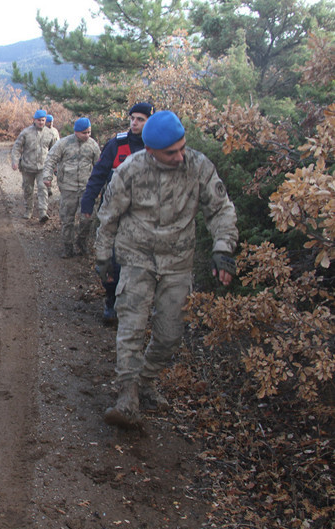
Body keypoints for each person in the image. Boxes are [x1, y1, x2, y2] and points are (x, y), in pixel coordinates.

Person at [94, 110, 238, 429]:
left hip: (177, 262)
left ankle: (146, 381)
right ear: (151, 150)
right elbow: (109, 216)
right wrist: (103, 257)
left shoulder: (197, 166)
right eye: (171, 152)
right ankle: (127, 395)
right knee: (130, 327)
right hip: (137, 258)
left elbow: (221, 209)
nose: (179, 155)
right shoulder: (131, 170)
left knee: (170, 335)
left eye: (182, 147)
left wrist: (223, 249)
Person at [81, 102, 153, 324]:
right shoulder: (116, 144)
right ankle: (111, 300)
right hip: (114, 214)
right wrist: (87, 202)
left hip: (144, 218)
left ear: (149, 121)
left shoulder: (155, 146)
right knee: (111, 261)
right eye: (132, 118)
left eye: (140, 119)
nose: (134, 123)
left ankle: (134, 305)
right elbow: (98, 174)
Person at [42, 117, 101, 257]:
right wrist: (47, 176)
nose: (87, 135)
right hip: (68, 187)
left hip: (86, 188)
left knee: (87, 218)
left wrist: (99, 186)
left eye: (89, 132)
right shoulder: (64, 144)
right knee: (67, 219)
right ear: (76, 132)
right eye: (84, 133)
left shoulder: (93, 145)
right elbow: (51, 159)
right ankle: (67, 247)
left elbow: (99, 166)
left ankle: (82, 242)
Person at [11, 109, 57, 222]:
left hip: (43, 168)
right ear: (34, 120)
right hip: (27, 167)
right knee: (28, 189)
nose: (41, 122)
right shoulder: (26, 133)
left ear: (45, 120)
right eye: (38, 120)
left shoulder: (50, 133)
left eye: (43, 120)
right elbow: (17, 147)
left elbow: (55, 150)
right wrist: (15, 161)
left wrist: (55, 165)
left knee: (43, 188)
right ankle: (28, 210)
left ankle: (43, 212)